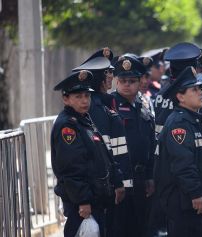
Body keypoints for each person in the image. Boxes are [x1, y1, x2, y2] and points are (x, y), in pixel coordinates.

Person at [51, 70, 124, 237]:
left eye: (87, 95)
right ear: (66, 99)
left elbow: (101, 156)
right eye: (78, 97)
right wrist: (83, 201)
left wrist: (116, 181)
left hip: (96, 200)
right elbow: (71, 167)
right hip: (82, 206)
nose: (84, 101)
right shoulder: (67, 126)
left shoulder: (83, 119)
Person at [154, 66, 202, 237]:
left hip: (190, 201)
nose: (201, 93)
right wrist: (196, 194)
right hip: (183, 202)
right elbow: (183, 164)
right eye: (194, 89)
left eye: (200, 89)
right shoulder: (179, 124)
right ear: (180, 96)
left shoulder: (193, 120)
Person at [72, 48, 128, 237]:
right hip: (102, 189)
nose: (112, 76)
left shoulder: (104, 102)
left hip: (112, 185)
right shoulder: (95, 106)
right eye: (109, 73)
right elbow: (102, 152)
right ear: (99, 78)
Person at [111, 56, 156, 237]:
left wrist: (150, 176)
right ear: (116, 81)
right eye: (122, 81)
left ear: (140, 82)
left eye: (132, 81)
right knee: (120, 228)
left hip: (140, 177)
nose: (127, 85)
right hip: (120, 178)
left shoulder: (143, 104)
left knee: (141, 227)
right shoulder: (109, 104)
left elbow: (151, 143)